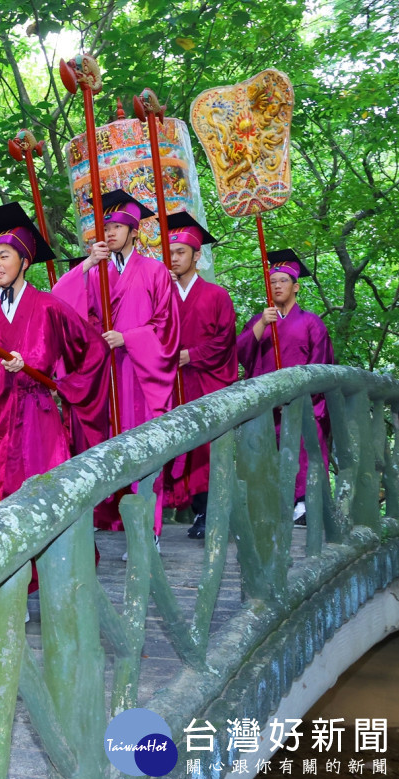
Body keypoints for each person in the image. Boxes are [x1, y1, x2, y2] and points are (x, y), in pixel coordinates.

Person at [0, 203, 109, 635]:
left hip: (41, 418)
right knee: (2, 507)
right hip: (0, 422)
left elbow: (92, 351)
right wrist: (0, 370)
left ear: (25, 260)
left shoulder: (49, 307)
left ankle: (61, 587)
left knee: (49, 502)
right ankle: (11, 597)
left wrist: (57, 384)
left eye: (4, 256)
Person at [52, 189, 179, 554]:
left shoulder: (155, 272)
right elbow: (63, 306)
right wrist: (88, 265)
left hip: (140, 374)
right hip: (105, 374)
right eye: (104, 226)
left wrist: (128, 337)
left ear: (134, 232)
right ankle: (122, 524)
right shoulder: (97, 274)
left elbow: (166, 327)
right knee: (109, 447)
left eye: (116, 226)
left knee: (143, 448)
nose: (108, 233)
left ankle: (147, 531)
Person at [236, 249, 334, 521]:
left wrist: (293, 396)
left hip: (303, 405)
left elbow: (321, 366)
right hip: (267, 408)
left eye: (283, 281)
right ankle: (271, 506)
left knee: (304, 448)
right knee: (266, 453)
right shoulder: (260, 320)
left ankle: (305, 504)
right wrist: (260, 328)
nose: (277, 286)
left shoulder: (312, 323)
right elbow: (239, 355)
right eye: (273, 281)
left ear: (296, 286)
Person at [161, 213, 237, 539]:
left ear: (197, 256)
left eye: (181, 252)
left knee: (206, 448)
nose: (174, 258)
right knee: (180, 448)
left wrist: (191, 355)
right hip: (172, 383)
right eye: (170, 252)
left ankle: (211, 512)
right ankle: (196, 512)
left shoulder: (216, 296)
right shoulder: (161, 295)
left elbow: (224, 339)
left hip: (205, 380)